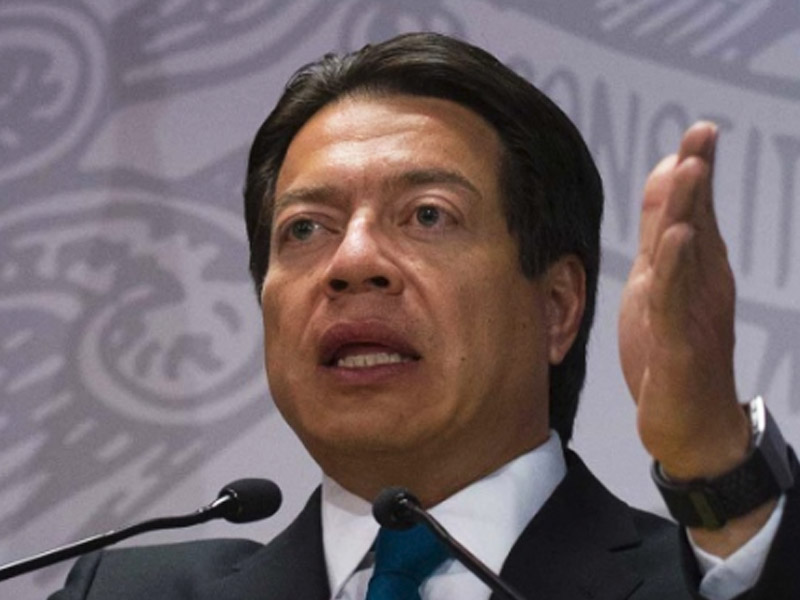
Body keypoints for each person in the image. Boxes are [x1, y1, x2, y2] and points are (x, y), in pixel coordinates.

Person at [51, 32, 799, 600]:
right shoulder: (120, 593)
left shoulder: (709, 578)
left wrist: (719, 470)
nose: (351, 261)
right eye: (305, 228)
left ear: (557, 307)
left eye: (428, 215)